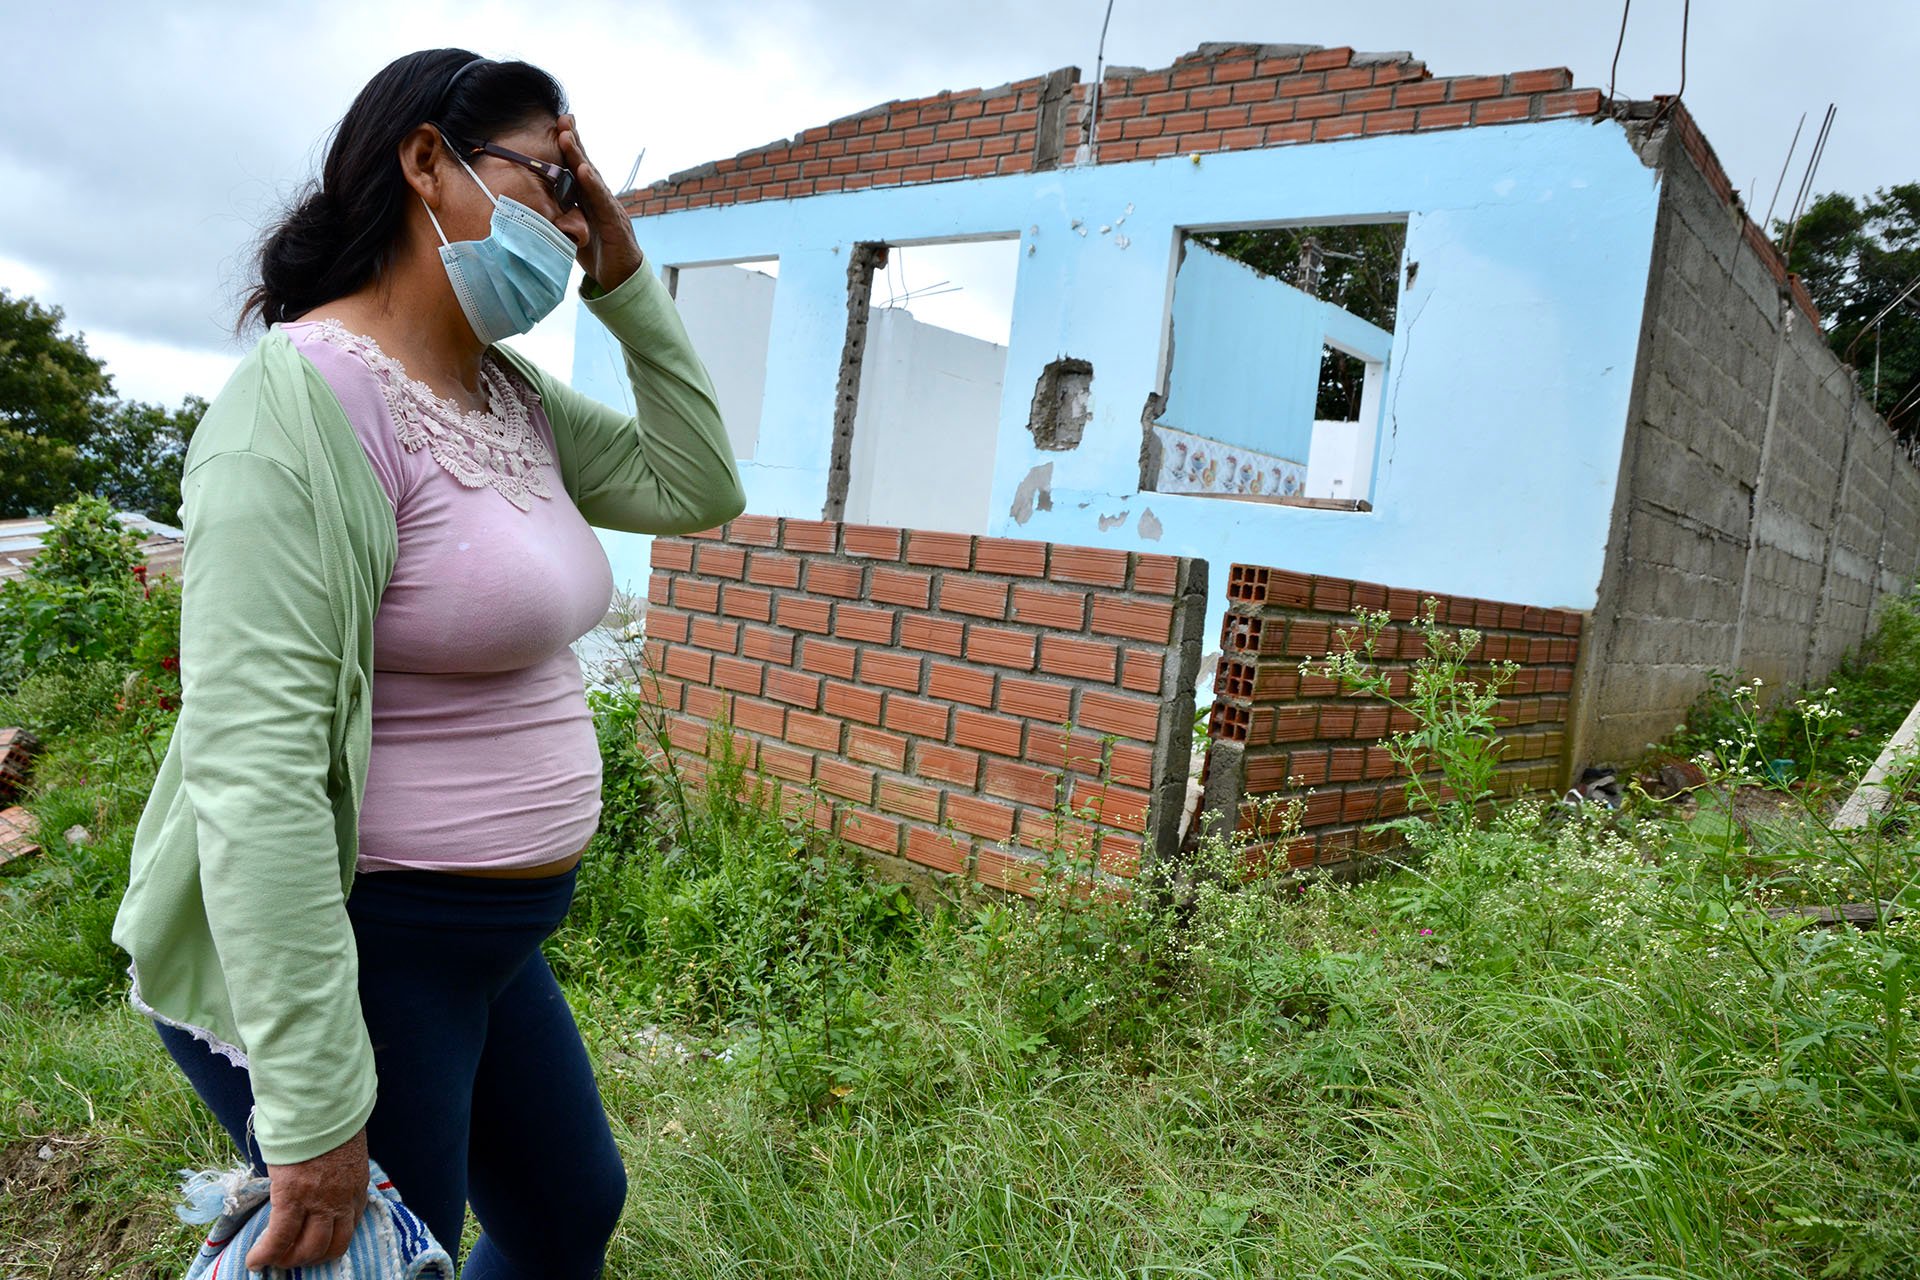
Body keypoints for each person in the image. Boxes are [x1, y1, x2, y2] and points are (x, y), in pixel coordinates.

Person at [111, 48, 744, 1278]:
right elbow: (256, 772)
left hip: (493, 941)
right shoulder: (296, 408)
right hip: (375, 941)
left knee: (567, 1213)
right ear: (425, 161)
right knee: (392, 1254)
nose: (566, 222)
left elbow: (697, 480)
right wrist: (310, 1109)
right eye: (551, 181)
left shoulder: (506, 396)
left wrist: (622, 275)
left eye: (579, 195)